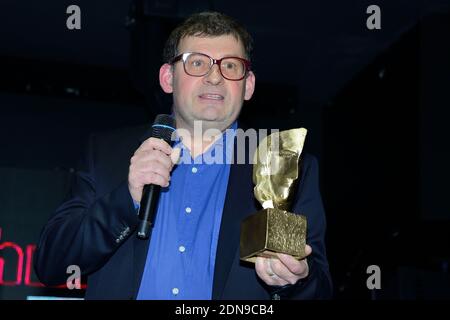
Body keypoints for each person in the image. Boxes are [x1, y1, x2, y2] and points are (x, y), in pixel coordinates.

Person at [34, 11, 332, 300]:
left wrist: (293, 280)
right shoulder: (107, 152)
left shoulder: (286, 164)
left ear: (248, 85)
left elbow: (318, 289)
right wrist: (128, 198)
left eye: (230, 66)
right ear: (168, 78)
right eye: (197, 63)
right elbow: (52, 264)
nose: (215, 77)